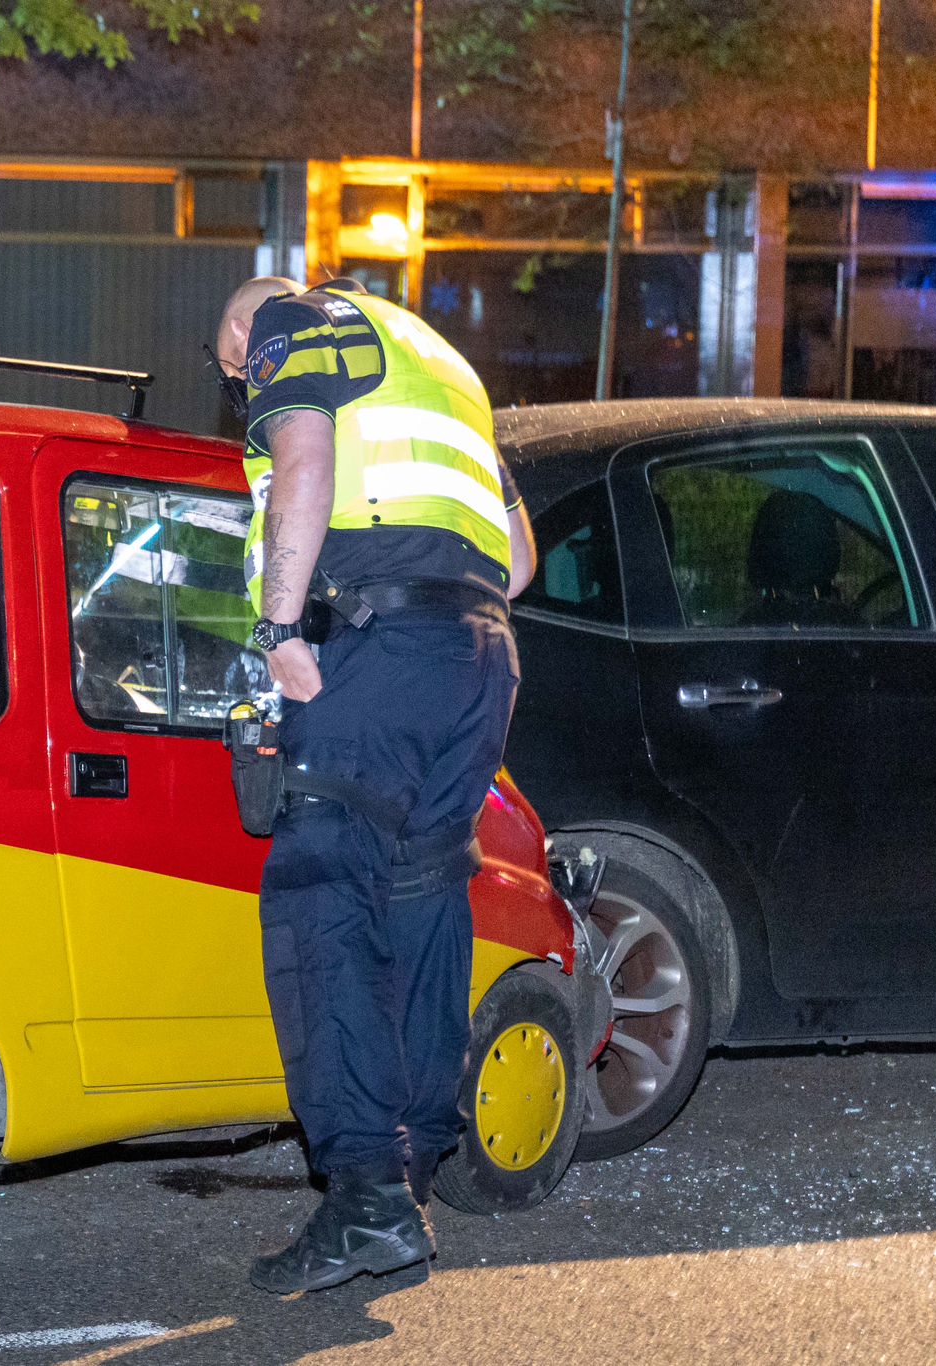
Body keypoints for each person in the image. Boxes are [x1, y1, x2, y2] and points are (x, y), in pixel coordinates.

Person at [210, 275, 537, 1295]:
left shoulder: (290, 321)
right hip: (479, 656)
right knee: (424, 899)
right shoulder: (439, 361)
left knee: (323, 894)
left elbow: (303, 459)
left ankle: (362, 1194)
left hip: (374, 644)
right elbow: (520, 560)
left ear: (241, 331)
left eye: (232, 375)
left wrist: (279, 626)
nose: (240, 390)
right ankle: (408, 1174)